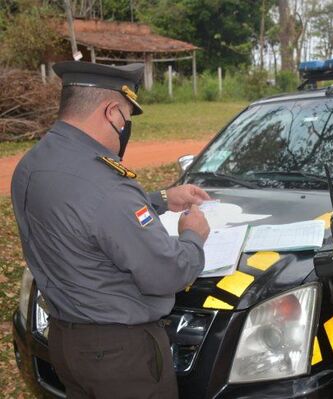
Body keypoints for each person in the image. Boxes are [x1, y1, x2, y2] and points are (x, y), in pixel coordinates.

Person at [11, 61, 211, 398]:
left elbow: (82, 212)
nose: (125, 128)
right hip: (123, 357)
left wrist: (161, 198)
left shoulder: (34, 164)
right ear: (112, 113)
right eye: (127, 119)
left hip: (65, 341)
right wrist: (193, 236)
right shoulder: (107, 185)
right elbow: (168, 273)